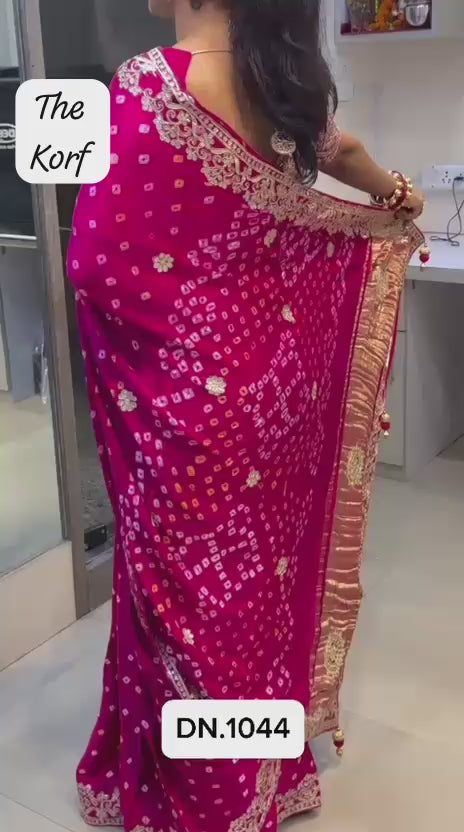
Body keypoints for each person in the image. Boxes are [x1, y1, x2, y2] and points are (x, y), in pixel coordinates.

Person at [68, 1, 425, 830]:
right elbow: (350, 155)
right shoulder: (283, 80)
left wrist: (158, 330)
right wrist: (400, 200)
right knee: (256, 594)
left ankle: (214, 803)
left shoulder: (149, 83)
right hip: (276, 397)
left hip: (191, 411)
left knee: (191, 609)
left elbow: (92, 261)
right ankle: (268, 770)